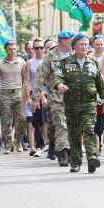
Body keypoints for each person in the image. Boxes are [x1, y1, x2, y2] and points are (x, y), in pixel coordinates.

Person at [53, 33, 104, 173]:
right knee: (74, 133)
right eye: (81, 44)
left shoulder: (93, 62)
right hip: (72, 104)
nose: (84, 47)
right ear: (74, 46)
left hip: (89, 104)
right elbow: (57, 77)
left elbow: (100, 84)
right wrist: (59, 85)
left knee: (89, 130)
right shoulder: (65, 62)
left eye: (86, 44)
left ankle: (92, 159)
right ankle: (75, 162)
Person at [36, 31, 74, 166]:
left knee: (64, 125)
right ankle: (64, 153)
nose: (72, 41)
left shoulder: (74, 55)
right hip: (55, 96)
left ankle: (54, 143)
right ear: (63, 41)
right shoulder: (50, 57)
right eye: (70, 39)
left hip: (72, 97)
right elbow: (40, 77)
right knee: (61, 123)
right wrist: (36, 97)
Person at [0, 41, 28, 154]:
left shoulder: (22, 62)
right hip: (5, 94)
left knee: (22, 119)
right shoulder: (0, 64)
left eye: (14, 49)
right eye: (10, 49)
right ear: (5, 50)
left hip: (19, 93)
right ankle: (8, 144)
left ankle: (18, 141)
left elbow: (26, 79)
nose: (13, 51)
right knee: (6, 121)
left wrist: (26, 94)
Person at [26, 39, 46, 157]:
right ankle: (39, 145)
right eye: (36, 48)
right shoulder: (30, 63)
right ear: (33, 49)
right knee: (35, 122)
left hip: (49, 93)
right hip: (35, 94)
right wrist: (29, 97)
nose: (39, 50)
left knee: (48, 122)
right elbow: (27, 82)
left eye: (41, 47)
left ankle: (50, 145)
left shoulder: (49, 61)